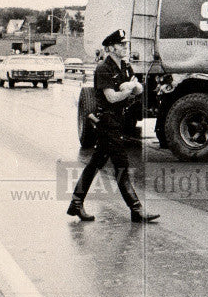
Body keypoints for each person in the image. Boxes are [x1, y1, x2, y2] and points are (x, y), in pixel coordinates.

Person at [67, 29, 159, 223]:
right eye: (121, 44)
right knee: (121, 164)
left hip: (119, 120)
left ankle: (76, 203)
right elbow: (112, 97)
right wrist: (128, 90)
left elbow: (139, 88)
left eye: (125, 44)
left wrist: (132, 88)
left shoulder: (125, 67)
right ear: (110, 48)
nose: (125, 47)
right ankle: (136, 209)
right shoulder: (103, 69)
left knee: (95, 163)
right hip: (107, 121)